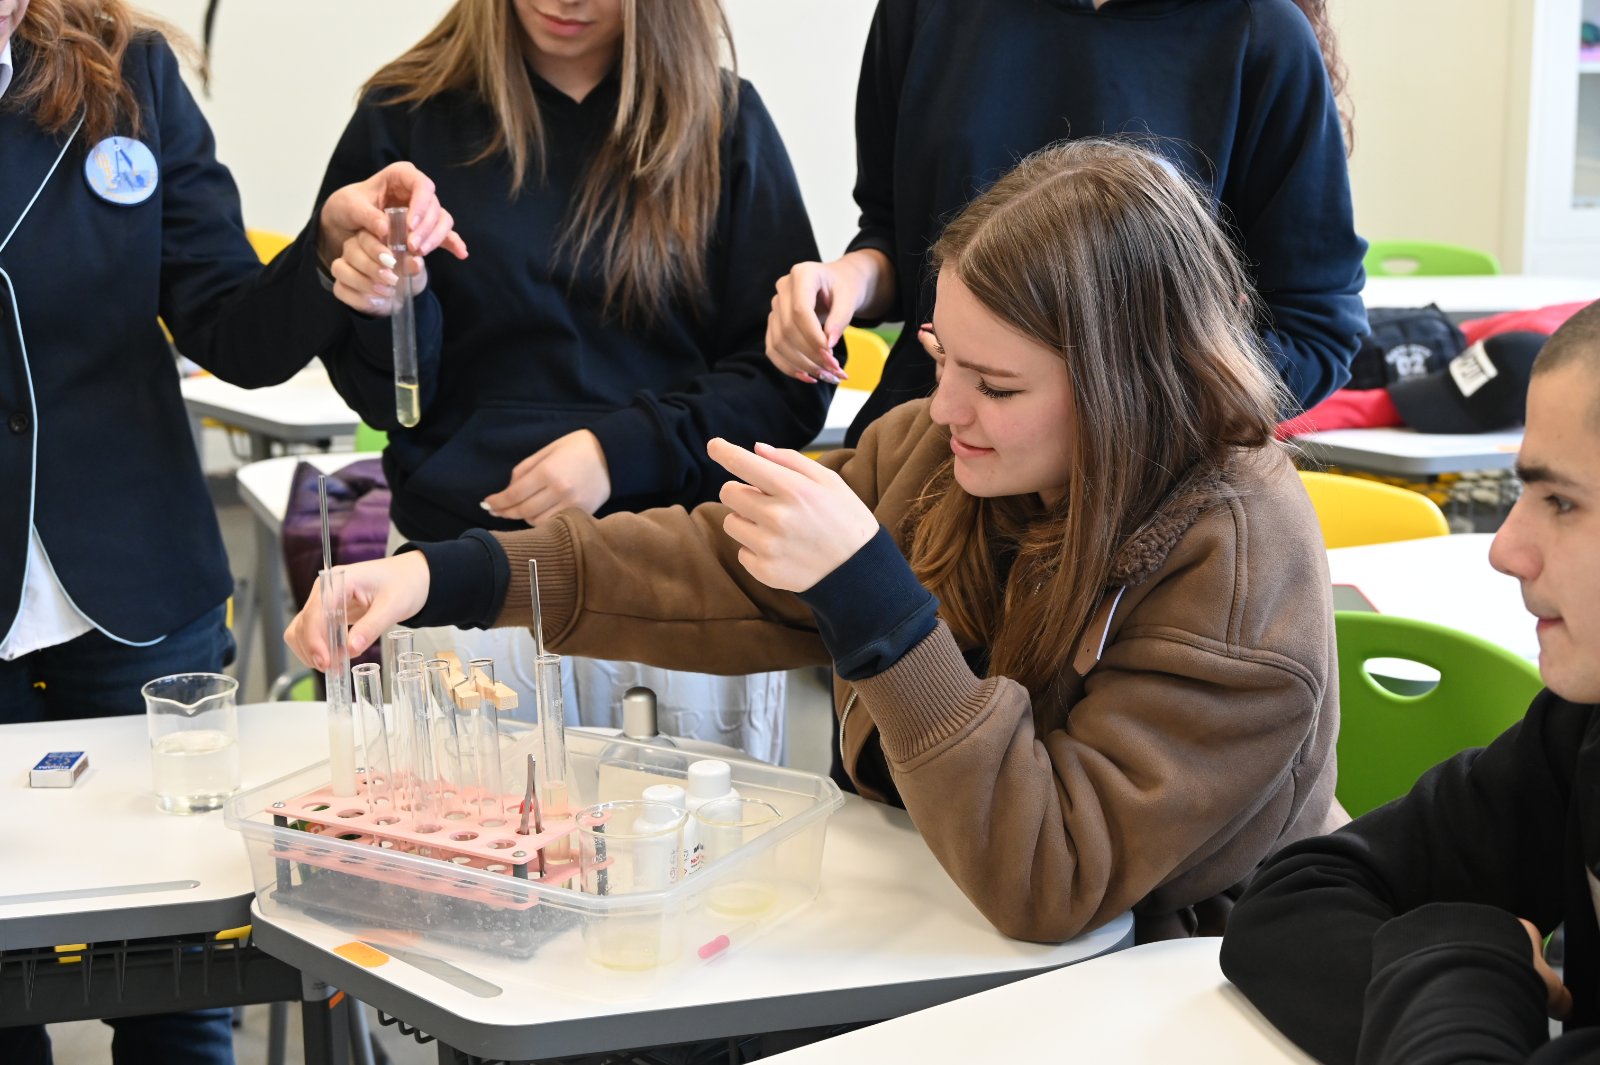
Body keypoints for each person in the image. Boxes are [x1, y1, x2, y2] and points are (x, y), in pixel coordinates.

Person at [287, 138, 1344, 944]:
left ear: (1128, 387)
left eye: (997, 385)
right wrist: (444, 575)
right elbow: (717, 564)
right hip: (949, 924)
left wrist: (877, 606)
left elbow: (1052, 877)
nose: (945, 409)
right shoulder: (947, 454)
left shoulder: (1234, 561)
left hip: (1173, 981)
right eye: (940, 356)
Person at [0, 0, 460, 1061]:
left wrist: (326, 250)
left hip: (138, 591)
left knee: (183, 967)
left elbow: (232, 327)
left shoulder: (126, 75)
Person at [308, 0, 829, 756]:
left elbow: (790, 385)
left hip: (676, 582)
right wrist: (396, 305)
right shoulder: (405, 116)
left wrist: (622, 453)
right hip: (462, 579)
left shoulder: (724, 123)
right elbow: (385, 400)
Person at [1220, 301, 1600, 1063]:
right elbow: (1293, 900)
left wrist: (1460, 962)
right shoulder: (1579, 726)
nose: (1505, 548)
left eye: (1562, 501)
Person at [764, 0, 1368, 441]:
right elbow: (898, 236)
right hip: (928, 450)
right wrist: (848, 280)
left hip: (1133, 495)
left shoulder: (1260, 34)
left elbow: (1315, 329)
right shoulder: (924, 9)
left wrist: (1121, 402)